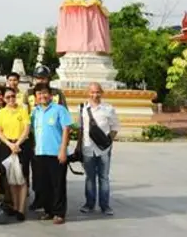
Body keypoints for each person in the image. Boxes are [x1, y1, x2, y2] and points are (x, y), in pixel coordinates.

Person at [31, 83, 72, 225]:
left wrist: (63, 149)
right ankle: (48, 210)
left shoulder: (59, 109)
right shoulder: (35, 112)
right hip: (40, 152)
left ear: (51, 94)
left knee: (58, 184)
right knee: (44, 184)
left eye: (44, 93)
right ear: (36, 97)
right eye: (39, 94)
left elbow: (66, 129)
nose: (42, 96)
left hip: (56, 153)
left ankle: (59, 213)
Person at [80, 82, 120, 216]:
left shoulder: (108, 109)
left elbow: (115, 127)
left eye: (97, 92)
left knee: (103, 177)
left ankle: (105, 206)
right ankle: (89, 204)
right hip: (87, 148)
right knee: (90, 178)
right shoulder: (83, 109)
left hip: (103, 149)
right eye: (92, 92)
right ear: (88, 93)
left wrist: (108, 141)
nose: (95, 95)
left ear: (101, 93)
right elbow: (82, 129)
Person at [0, 87, 30, 219]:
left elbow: (26, 130)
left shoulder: (22, 110)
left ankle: (21, 209)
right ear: (3, 99)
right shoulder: (1, 113)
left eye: (12, 96)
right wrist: (10, 144)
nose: (10, 99)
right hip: (6, 145)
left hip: (21, 145)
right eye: (7, 97)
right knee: (11, 178)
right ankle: (15, 206)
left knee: (22, 177)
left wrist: (17, 144)